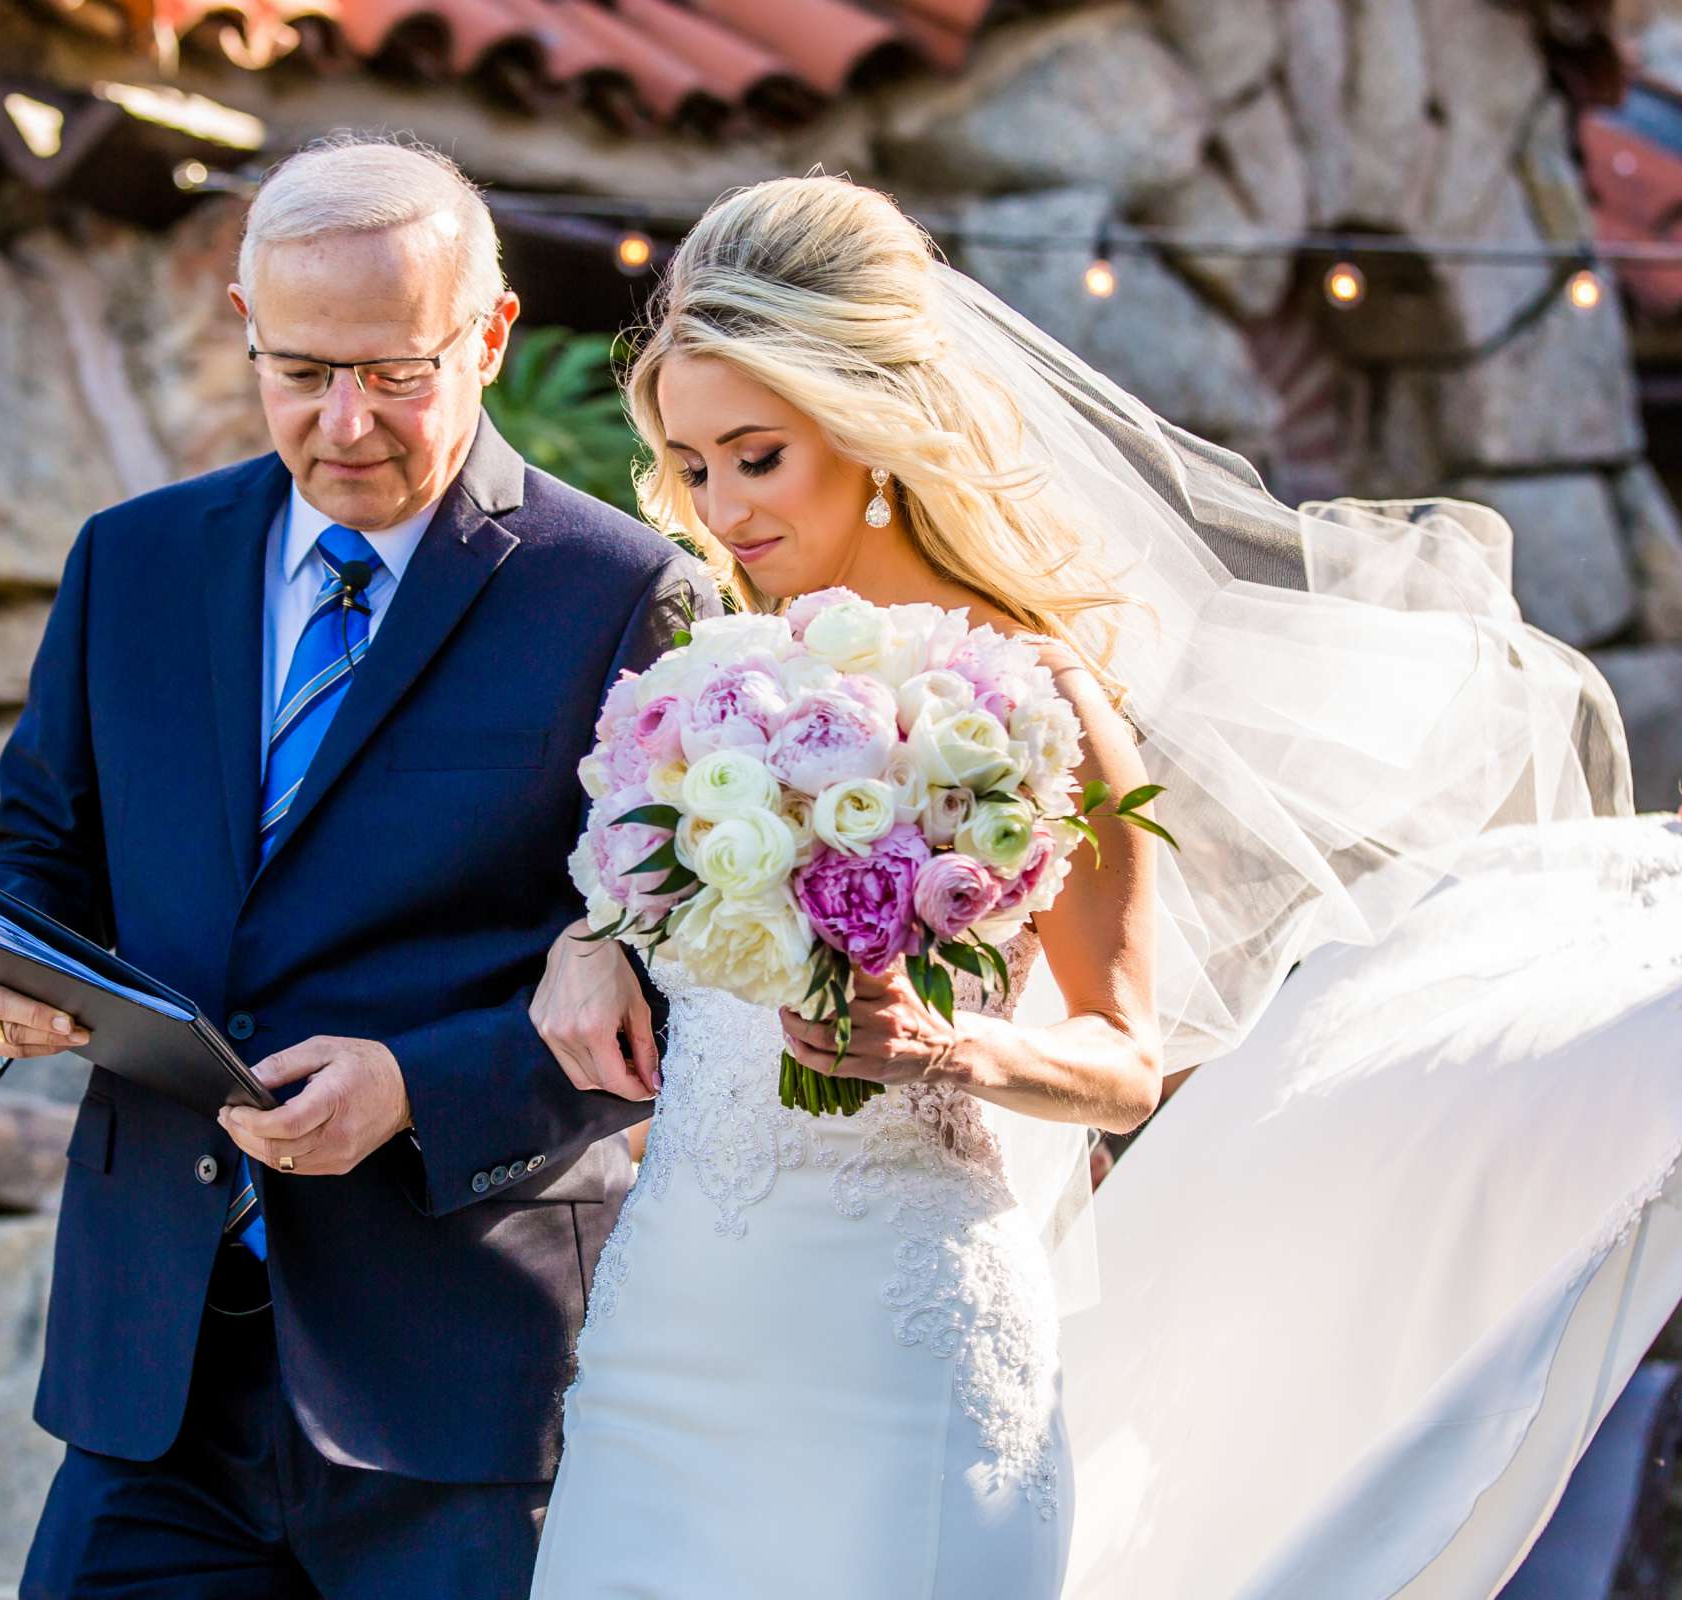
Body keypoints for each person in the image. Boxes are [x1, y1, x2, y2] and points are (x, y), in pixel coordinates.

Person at [525, 174, 1653, 1597]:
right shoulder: (704, 693)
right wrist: (593, 940)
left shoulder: (1040, 703)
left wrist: (955, 1042)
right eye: (692, 468)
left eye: (757, 457)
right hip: (671, 1328)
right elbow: (664, 930)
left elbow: (1124, 1059)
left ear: (870, 430)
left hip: (898, 1338)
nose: (721, 508)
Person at [0, 136, 711, 1599]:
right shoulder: (130, 562)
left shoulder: (618, 597)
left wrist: (414, 1089)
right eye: (301, 370)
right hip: (151, 1375)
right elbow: (37, 853)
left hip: (459, 1387)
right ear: (244, 326)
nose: (345, 422)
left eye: (395, 372)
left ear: (488, 335)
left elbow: (667, 987)